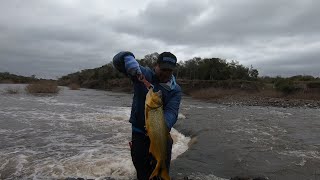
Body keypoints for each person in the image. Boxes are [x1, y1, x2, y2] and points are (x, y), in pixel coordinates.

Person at [112, 51, 182, 180]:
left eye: (169, 70)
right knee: (143, 174)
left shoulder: (175, 89)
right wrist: (127, 57)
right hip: (139, 135)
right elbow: (117, 63)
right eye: (163, 69)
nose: (166, 73)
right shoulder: (144, 75)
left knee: (161, 172)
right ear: (156, 65)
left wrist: (161, 126)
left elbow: (172, 111)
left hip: (162, 137)